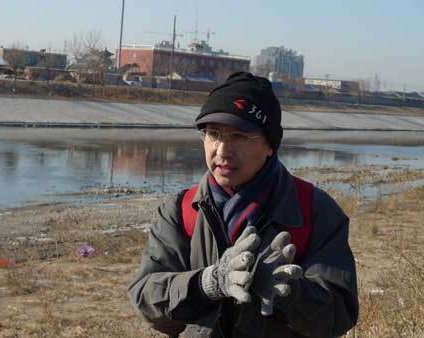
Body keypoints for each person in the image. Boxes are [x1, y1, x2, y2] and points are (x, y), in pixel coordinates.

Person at [128, 72, 358, 338]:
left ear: (270, 145)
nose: (223, 150)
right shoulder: (181, 209)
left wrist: (288, 294)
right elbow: (147, 300)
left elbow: (338, 315)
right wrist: (208, 283)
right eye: (213, 134)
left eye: (239, 136)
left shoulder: (314, 210)